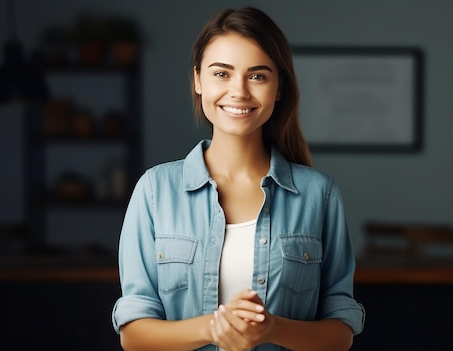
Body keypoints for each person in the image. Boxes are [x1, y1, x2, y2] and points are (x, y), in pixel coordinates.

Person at [111, 6, 365, 351]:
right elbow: (134, 335)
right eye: (222, 74)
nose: (239, 92)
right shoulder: (155, 191)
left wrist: (271, 328)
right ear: (198, 80)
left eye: (257, 76)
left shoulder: (319, 195)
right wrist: (215, 328)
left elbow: (340, 335)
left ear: (278, 88)